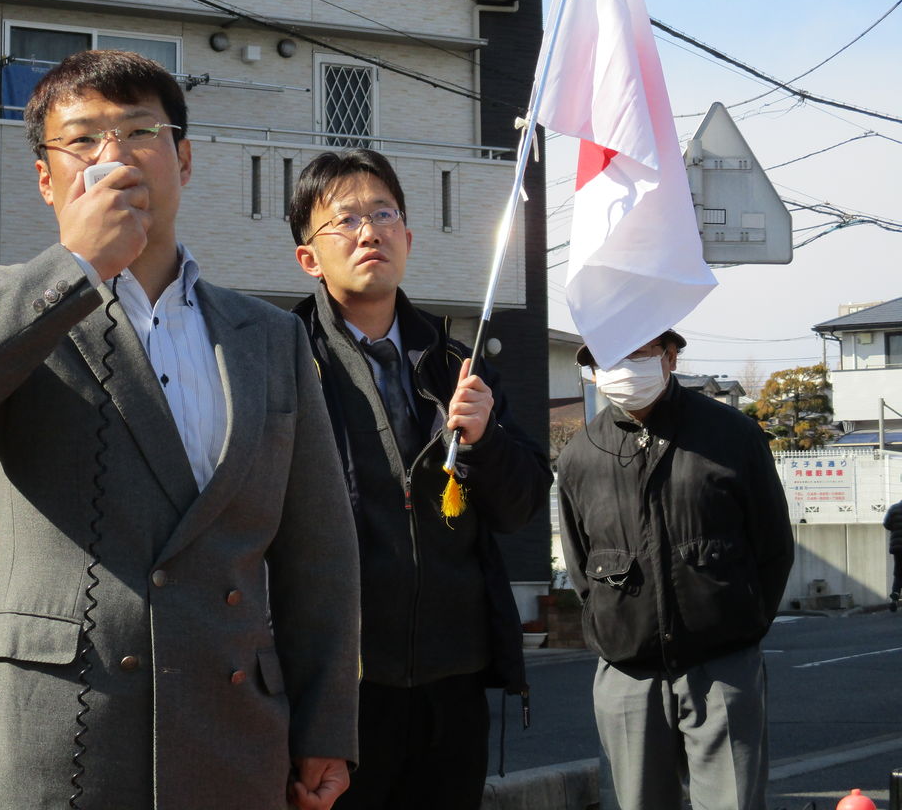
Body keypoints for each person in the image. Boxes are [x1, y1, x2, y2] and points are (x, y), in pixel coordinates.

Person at [0, 50, 360, 810]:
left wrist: (326, 726)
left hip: (233, 737)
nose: (112, 155)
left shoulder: (269, 338)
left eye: (141, 130)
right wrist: (76, 263)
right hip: (48, 736)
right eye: (81, 139)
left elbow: (320, 556)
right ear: (46, 180)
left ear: (184, 159)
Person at [286, 149, 552, 809]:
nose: (369, 231)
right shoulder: (283, 359)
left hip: (452, 687)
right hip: (336, 692)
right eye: (344, 220)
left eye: (384, 214)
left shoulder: (456, 364)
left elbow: (521, 507)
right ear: (309, 258)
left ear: (408, 237)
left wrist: (486, 439)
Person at [557, 332, 795, 810]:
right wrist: (614, 629)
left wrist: (741, 628)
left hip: (722, 665)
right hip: (628, 674)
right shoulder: (581, 455)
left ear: (670, 356)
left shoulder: (732, 435)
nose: (621, 367)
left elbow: (773, 548)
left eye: (637, 351)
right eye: (606, 358)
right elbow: (582, 569)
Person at [885, 497, 902, 611]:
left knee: (899, 573)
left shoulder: (893, 508)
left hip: (898, 547)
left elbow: (886, 524)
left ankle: (895, 595)